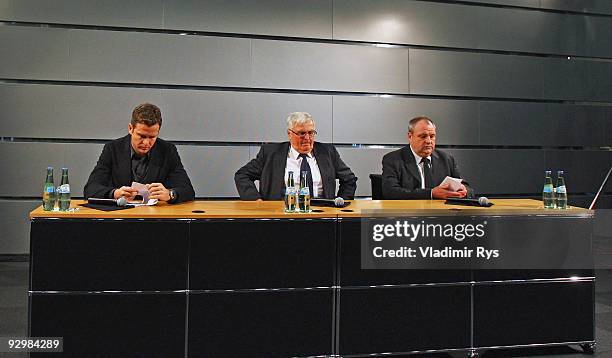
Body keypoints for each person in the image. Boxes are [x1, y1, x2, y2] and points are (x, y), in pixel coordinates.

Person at [84, 103, 195, 203]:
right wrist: (114, 193)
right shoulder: (113, 149)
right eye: (141, 136)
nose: (146, 143)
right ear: (130, 128)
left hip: (155, 218)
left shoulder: (168, 150)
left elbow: (188, 190)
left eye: (152, 137)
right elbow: (90, 189)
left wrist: (170, 194)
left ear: (158, 132)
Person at [235, 112, 357, 200]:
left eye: (311, 133)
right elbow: (242, 175)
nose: (307, 138)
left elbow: (349, 180)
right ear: (289, 134)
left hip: (322, 215)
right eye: (302, 133)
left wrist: (340, 202)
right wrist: (256, 201)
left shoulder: (328, 152)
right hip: (281, 214)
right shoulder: (270, 153)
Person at [382, 116, 474, 199]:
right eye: (423, 136)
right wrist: (431, 194)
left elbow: (468, 188)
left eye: (432, 136)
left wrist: (464, 190)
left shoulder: (446, 159)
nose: (428, 141)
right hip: (407, 214)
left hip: (441, 214)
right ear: (410, 137)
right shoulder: (393, 159)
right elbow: (391, 192)